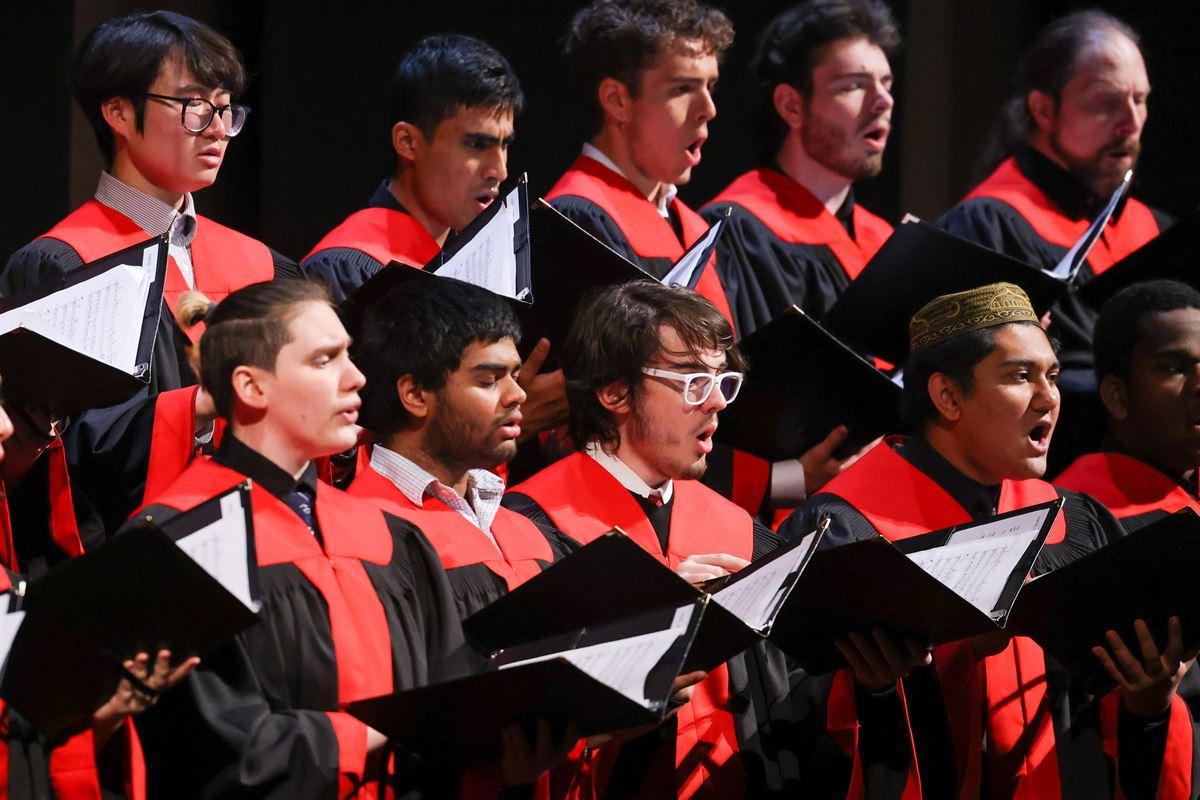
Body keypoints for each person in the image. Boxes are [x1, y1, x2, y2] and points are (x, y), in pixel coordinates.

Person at [782, 281, 1189, 798]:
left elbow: (1111, 711)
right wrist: (917, 666)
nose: (1049, 399)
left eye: (1053, 376)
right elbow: (792, 714)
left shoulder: (1076, 522)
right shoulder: (847, 528)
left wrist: (1148, 702)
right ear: (948, 396)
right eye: (1021, 376)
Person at [505, 280, 903, 798]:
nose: (717, 402)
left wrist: (874, 677)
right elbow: (515, 722)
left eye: (722, 381)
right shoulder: (529, 528)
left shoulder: (738, 532)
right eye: (693, 380)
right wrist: (642, 623)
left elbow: (796, 698)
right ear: (614, 392)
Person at [130, 280, 472, 798]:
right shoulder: (181, 544)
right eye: (324, 360)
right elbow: (207, 750)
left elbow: (449, 699)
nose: (356, 378)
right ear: (252, 386)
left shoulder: (389, 537)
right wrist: (378, 733)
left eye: (349, 357)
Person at [548, 0, 866, 520]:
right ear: (617, 100)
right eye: (681, 89)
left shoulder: (697, 228)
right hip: (620, 521)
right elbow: (597, 428)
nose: (708, 109)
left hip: (711, 512)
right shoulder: (580, 219)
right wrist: (785, 481)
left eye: (711, 86)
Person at [0, 11, 298, 556]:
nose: (215, 128)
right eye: (192, 106)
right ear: (116, 111)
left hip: (267, 550)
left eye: (225, 109)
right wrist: (203, 409)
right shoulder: (63, 266)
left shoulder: (262, 264)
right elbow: (61, 457)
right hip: (131, 568)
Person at [937, 11, 1167, 391]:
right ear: (1044, 110)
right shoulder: (988, 227)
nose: (1131, 121)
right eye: (1106, 103)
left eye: (1140, 100)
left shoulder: (1153, 226)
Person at [701, 0, 896, 337]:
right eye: (854, 86)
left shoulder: (884, 241)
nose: (883, 101)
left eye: (886, 83)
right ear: (791, 105)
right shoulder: (738, 234)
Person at [302, 34, 522, 301]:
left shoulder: (482, 269)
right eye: (476, 144)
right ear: (408, 142)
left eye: (504, 145)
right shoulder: (348, 272)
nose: (499, 171)